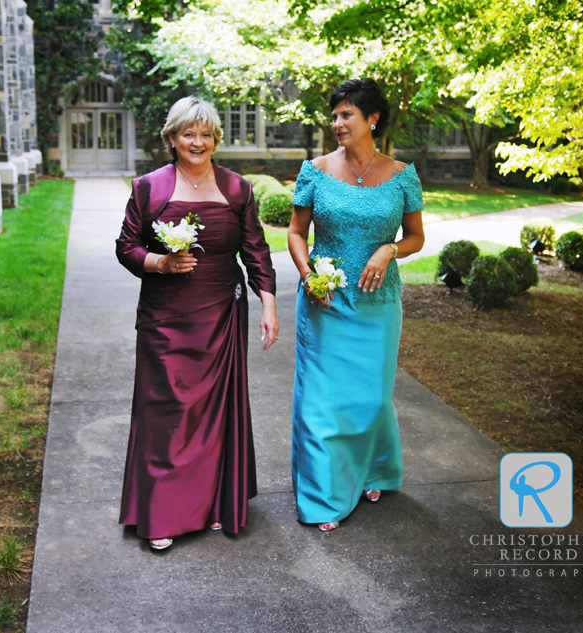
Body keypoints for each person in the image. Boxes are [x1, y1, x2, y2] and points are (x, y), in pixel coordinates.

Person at [116, 96, 279, 550]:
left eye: (206, 134)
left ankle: (208, 503)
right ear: (172, 138)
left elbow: (256, 251)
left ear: (216, 140)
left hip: (221, 314)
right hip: (165, 317)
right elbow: (126, 246)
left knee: (213, 413)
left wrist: (268, 303)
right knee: (168, 411)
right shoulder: (148, 188)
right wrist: (158, 263)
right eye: (189, 133)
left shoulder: (236, 189)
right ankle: (164, 511)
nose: (198, 142)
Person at [287, 78, 425, 532]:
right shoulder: (315, 170)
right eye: (334, 116)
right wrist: (309, 277)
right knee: (321, 405)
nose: (337, 123)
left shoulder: (403, 174)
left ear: (372, 119)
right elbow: (295, 234)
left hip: (377, 306)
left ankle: (373, 470)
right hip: (325, 303)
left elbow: (416, 237)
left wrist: (390, 250)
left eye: (346, 115)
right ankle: (324, 496)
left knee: (370, 399)